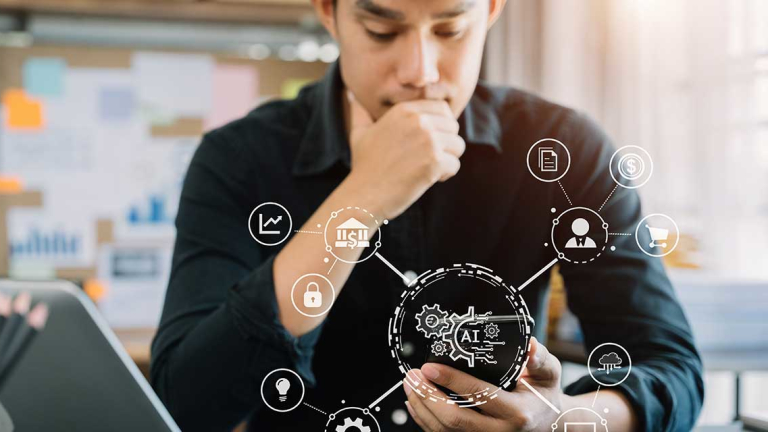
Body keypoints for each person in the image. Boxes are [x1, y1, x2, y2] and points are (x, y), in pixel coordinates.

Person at [149, 0, 704, 430]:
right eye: (382, 31)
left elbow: (672, 371)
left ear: (490, 10)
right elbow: (186, 407)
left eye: (450, 30)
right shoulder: (238, 159)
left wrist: (560, 418)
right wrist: (360, 199)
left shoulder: (564, 149)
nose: (420, 71)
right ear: (329, 12)